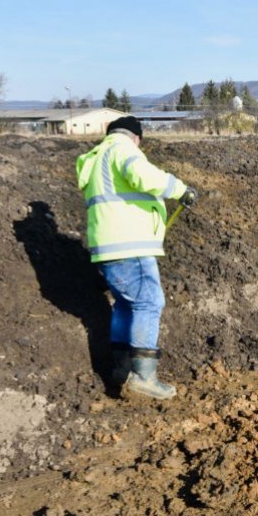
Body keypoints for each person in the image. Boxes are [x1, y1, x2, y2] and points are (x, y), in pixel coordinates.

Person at [76, 116, 197, 400]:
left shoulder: (95, 158)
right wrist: (181, 190)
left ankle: (121, 369)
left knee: (125, 306)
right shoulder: (122, 149)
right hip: (129, 246)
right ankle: (143, 377)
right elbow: (145, 176)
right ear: (136, 137)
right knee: (148, 302)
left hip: (107, 247)